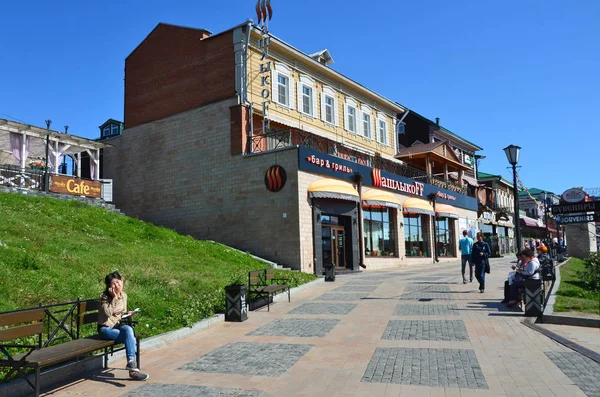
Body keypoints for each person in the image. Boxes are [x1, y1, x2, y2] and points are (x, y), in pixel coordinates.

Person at [98, 271, 149, 381]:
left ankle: (131, 363)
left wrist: (129, 313)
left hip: (117, 326)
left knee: (128, 329)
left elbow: (121, 313)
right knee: (129, 337)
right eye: (113, 284)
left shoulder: (124, 295)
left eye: (118, 282)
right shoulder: (104, 297)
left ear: (122, 280)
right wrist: (114, 299)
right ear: (109, 287)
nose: (116, 285)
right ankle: (133, 372)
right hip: (105, 329)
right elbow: (107, 313)